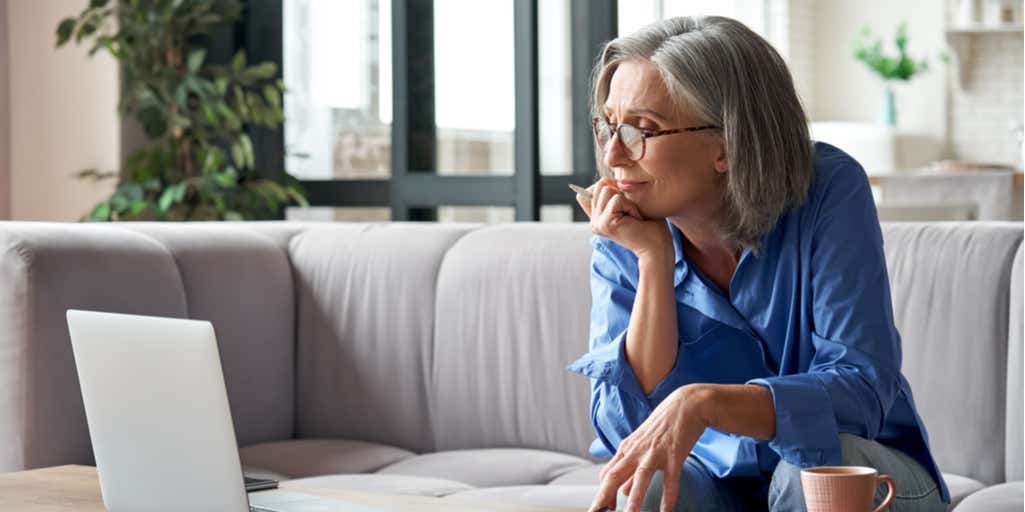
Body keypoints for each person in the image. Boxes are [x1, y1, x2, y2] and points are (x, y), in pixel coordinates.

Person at [566, 15, 949, 512]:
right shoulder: (627, 226)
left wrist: (704, 402)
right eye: (608, 126)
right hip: (719, 482)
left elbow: (861, 389)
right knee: (647, 485)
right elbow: (626, 430)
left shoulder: (828, 189)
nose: (614, 154)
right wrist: (653, 261)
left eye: (643, 129)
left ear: (726, 144)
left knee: (807, 471)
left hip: (860, 469)